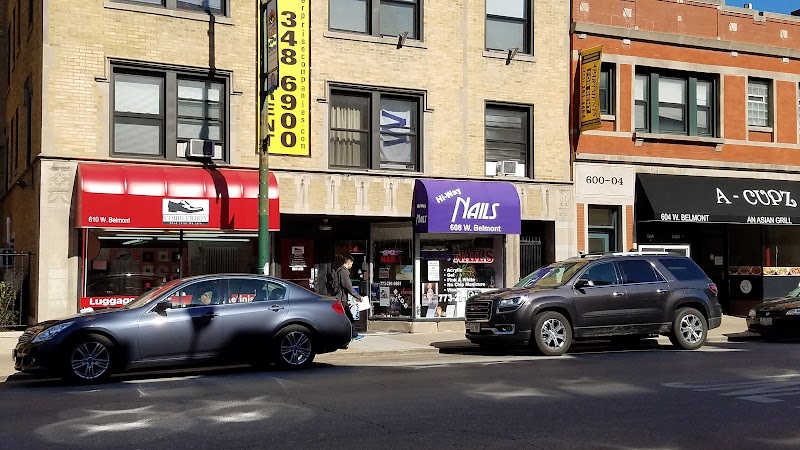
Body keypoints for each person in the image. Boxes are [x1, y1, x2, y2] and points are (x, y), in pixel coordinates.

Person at [335, 256, 364, 341]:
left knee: (346, 318)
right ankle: (352, 335)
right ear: (348, 262)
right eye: (351, 263)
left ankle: (352, 335)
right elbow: (348, 287)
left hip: (341, 298)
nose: (352, 265)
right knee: (347, 318)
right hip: (341, 299)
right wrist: (358, 297)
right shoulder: (344, 272)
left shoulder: (340, 270)